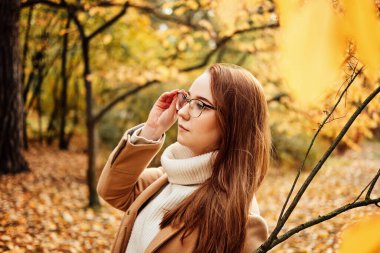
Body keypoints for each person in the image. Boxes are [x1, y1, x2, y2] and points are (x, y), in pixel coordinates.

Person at [97, 63, 271, 253]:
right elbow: (112, 191)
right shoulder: (169, 177)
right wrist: (152, 129)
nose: (182, 112)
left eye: (201, 105)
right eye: (188, 99)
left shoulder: (241, 222)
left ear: (234, 123)